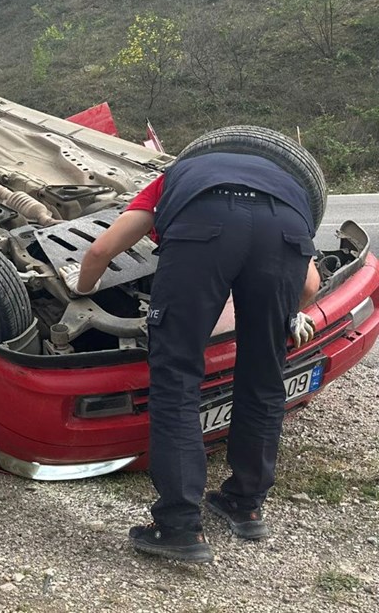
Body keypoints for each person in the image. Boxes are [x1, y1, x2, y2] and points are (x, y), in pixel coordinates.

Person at [62, 148, 321, 564]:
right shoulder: (285, 184)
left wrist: (82, 289)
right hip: (284, 232)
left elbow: (98, 252)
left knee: (177, 377)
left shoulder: (173, 178)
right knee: (264, 377)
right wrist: (287, 317)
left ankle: (179, 525)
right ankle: (246, 504)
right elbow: (308, 286)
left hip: (205, 228)